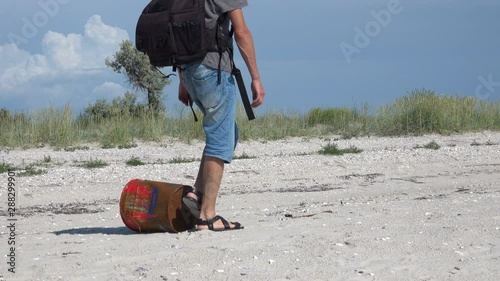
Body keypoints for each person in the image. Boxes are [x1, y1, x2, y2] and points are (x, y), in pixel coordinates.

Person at [177, 0, 265, 231]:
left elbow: (179, 33)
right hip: (213, 70)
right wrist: (255, 77)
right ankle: (207, 216)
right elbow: (241, 31)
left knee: (227, 132)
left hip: (189, 71)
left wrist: (182, 81)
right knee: (220, 137)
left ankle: (197, 193)